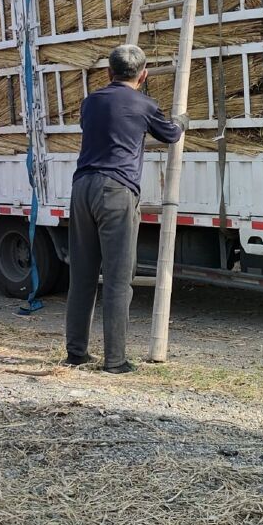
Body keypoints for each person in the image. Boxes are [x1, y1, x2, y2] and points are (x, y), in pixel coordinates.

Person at [65, 45, 182, 374]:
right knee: (117, 280)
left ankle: (76, 353)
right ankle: (115, 360)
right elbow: (171, 134)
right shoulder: (144, 104)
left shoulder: (90, 102)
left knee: (82, 277)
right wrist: (182, 120)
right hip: (116, 192)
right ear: (143, 75)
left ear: (107, 73)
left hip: (81, 189)